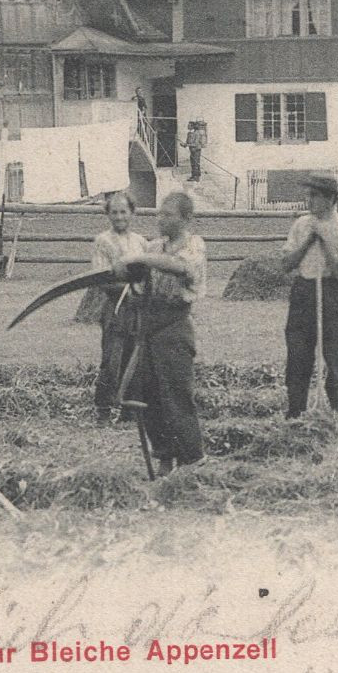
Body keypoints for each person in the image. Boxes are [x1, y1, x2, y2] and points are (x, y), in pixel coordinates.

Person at [114, 191, 207, 474]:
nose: (161, 220)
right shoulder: (154, 247)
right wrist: (124, 271)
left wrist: (140, 258)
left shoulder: (193, 245)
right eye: (159, 214)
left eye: (168, 215)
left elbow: (180, 267)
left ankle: (191, 460)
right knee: (150, 396)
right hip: (148, 326)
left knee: (176, 395)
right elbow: (136, 277)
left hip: (175, 326)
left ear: (186, 219)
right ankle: (165, 458)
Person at [278, 172, 338, 421]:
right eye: (308, 194)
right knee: (298, 360)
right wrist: (308, 241)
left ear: (330, 199)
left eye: (314, 195)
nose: (308, 200)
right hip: (303, 293)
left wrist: (324, 243)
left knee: (335, 362)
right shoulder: (301, 225)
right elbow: (286, 264)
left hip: (331, 292)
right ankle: (296, 418)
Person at [90, 190, 149, 425]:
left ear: (132, 213)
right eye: (114, 212)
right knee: (111, 360)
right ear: (108, 215)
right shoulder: (103, 241)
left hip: (138, 309)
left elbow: (148, 274)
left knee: (134, 358)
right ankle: (103, 410)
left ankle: (128, 412)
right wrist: (126, 289)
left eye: (123, 211)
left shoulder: (140, 242)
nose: (119, 217)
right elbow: (101, 277)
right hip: (115, 307)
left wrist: (143, 291)